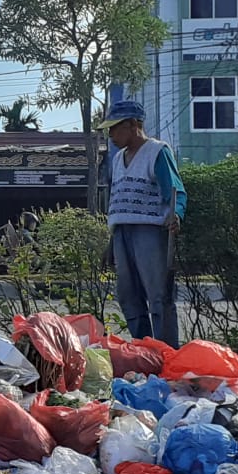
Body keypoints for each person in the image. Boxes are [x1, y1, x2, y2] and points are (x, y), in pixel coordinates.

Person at [97, 99, 187, 348]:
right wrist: (111, 242)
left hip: (149, 230)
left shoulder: (157, 151)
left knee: (158, 296)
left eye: (115, 128)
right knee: (128, 296)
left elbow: (176, 190)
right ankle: (144, 350)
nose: (111, 134)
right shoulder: (117, 159)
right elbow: (117, 202)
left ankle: (167, 352)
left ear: (133, 125)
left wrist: (175, 213)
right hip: (122, 232)